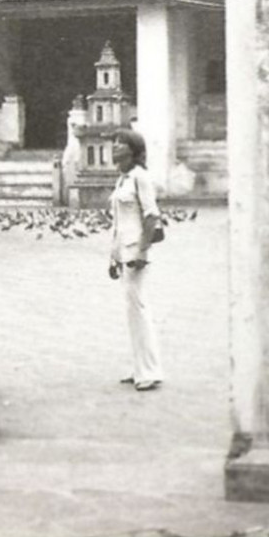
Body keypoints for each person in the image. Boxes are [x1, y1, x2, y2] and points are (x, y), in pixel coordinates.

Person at [108, 128, 164, 391]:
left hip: (135, 253)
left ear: (133, 150)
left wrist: (142, 252)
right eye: (114, 143)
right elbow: (119, 222)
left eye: (121, 144)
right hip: (123, 252)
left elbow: (151, 216)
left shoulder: (141, 177)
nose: (115, 147)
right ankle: (140, 367)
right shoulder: (123, 179)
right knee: (132, 313)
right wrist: (113, 256)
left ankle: (150, 371)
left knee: (139, 310)